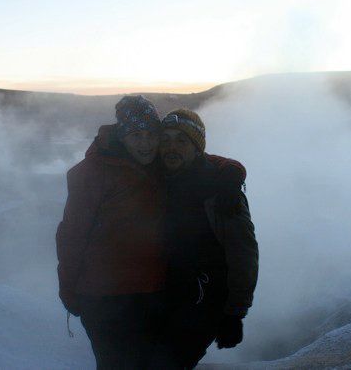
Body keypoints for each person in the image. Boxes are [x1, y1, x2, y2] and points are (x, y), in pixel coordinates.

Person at [55, 96, 247, 369]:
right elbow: (71, 235)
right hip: (105, 298)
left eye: (150, 135)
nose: (145, 142)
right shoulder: (92, 173)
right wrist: (68, 289)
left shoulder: (155, 161)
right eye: (136, 135)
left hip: (150, 296)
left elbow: (204, 158)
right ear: (123, 136)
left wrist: (233, 172)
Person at [155, 109, 259, 369]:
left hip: (203, 303)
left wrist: (235, 313)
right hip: (161, 298)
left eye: (181, 140)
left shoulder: (220, 191)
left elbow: (243, 253)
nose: (171, 147)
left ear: (196, 146)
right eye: (165, 139)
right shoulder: (157, 176)